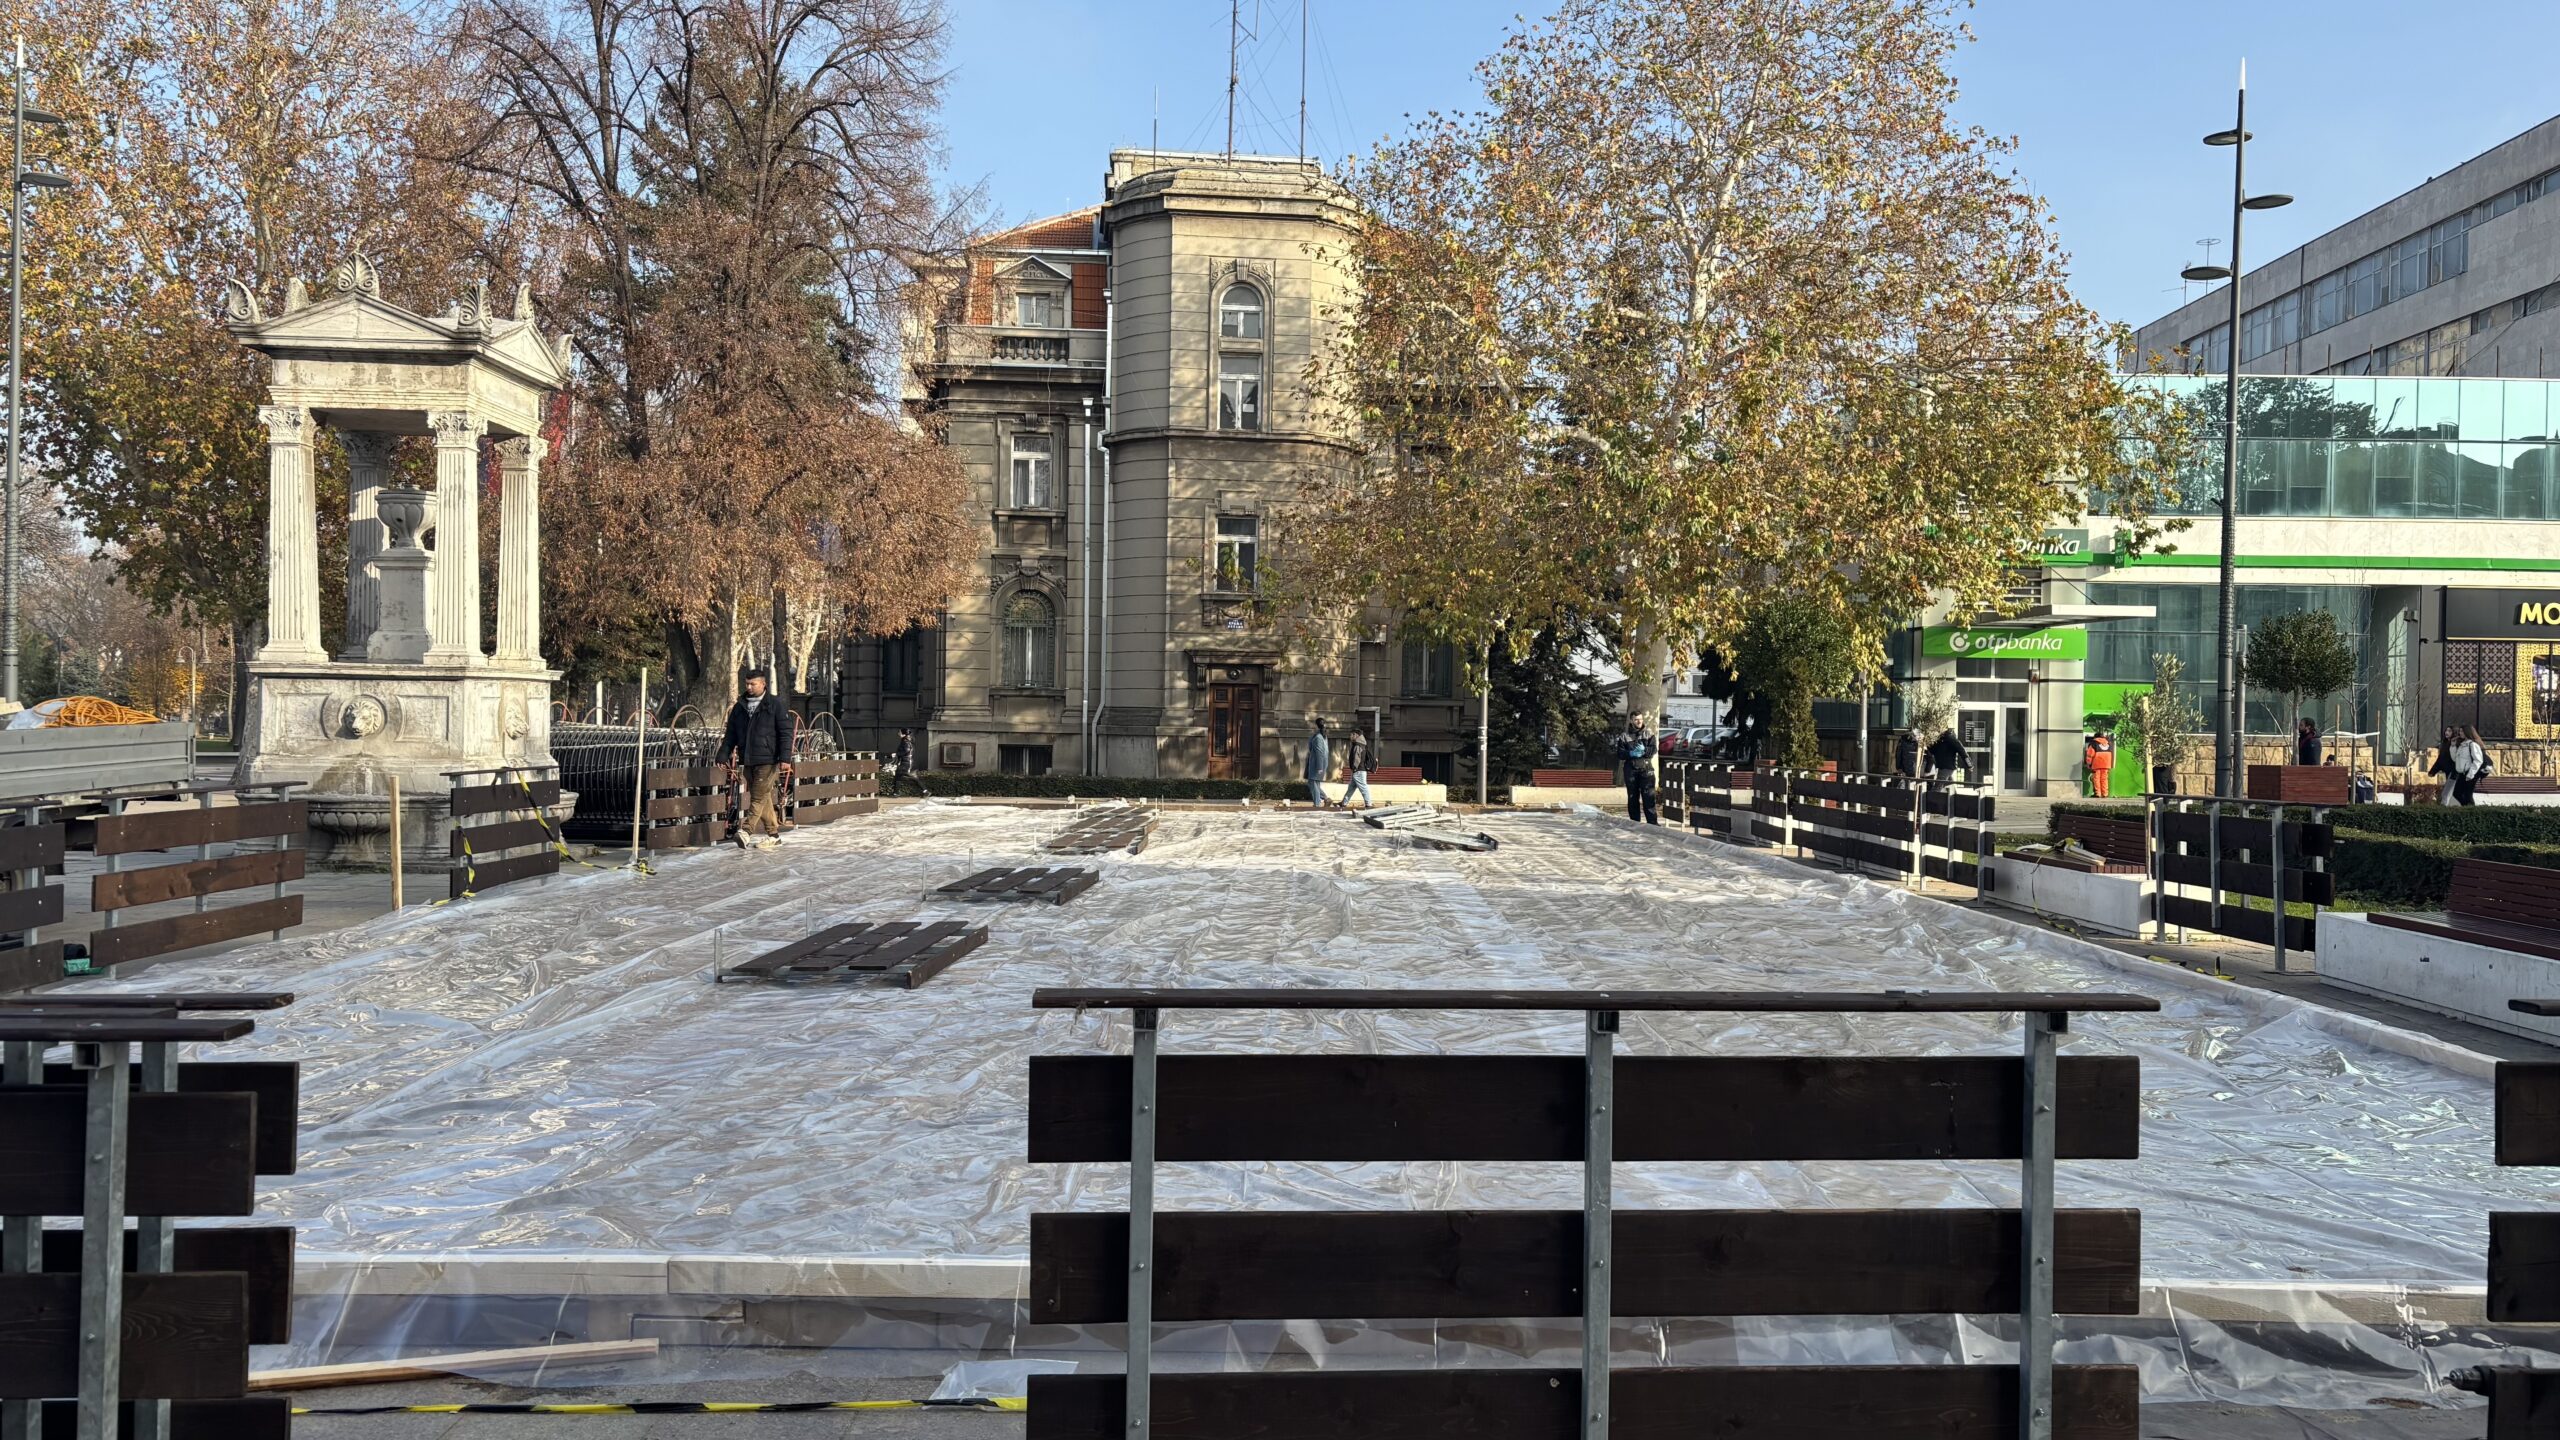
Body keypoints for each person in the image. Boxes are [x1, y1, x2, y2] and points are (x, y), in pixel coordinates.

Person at [712, 669, 795, 849]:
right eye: (747, 683)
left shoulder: (775, 704)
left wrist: (785, 758)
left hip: (769, 759)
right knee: (762, 797)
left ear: (763, 684)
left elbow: (786, 733)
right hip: (748, 759)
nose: (749, 687)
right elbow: (731, 734)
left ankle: (746, 831)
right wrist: (723, 753)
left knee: (757, 797)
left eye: (753, 684)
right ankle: (774, 835)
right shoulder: (739, 706)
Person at [1614, 716, 1660, 824]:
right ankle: (1635, 823)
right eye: (1636, 719)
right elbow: (1620, 754)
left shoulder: (1648, 734)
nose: (1639, 721)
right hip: (1631, 769)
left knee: (1649, 797)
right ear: (1631, 721)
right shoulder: (1624, 736)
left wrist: (1645, 751)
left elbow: (1654, 750)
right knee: (1633, 797)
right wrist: (1630, 753)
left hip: (1646, 768)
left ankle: (1653, 824)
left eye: (1640, 719)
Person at [1334, 725, 1375, 810]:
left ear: (1356, 735)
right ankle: (1344, 803)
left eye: (1351, 735)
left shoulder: (1358, 745)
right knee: (1351, 788)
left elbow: (1357, 758)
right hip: (1358, 770)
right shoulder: (1361, 744)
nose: (1350, 736)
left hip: (1358, 770)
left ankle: (1369, 804)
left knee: (1363, 787)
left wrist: (1354, 768)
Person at [2452, 725, 2491, 807]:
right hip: (2462, 773)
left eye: (2462, 731)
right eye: (2460, 731)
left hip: (2470, 773)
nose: (2460, 733)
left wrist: (2471, 774)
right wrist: (2452, 746)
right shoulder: (2462, 745)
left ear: (2467, 732)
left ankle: (2470, 811)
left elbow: (2478, 760)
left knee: (2468, 795)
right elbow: (2455, 759)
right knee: (2456, 793)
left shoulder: (2472, 745)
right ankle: (2467, 809)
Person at [885, 727, 928, 798]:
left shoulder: (905, 741)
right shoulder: (906, 740)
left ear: (903, 734)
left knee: (907, 777)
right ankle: (896, 793)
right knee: (898, 777)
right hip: (906, 762)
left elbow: (905, 751)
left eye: (899, 732)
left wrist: (894, 754)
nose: (898, 733)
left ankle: (925, 790)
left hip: (906, 763)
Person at [1303, 718, 1332, 808]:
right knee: (1313, 783)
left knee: (1313, 783)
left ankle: (1317, 803)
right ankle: (1325, 799)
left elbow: (1320, 752)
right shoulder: (1321, 736)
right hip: (1317, 763)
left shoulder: (1319, 737)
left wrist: (1320, 767)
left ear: (1316, 725)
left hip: (1317, 764)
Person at [2082, 729, 2115, 797]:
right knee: (2104, 779)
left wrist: (2088, 763)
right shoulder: (2108, 743)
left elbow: (2089, 755)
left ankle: (2098, 794)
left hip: (2097, 764)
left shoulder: (2093, 743)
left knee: (2096, 778)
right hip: (2106, 764)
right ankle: (2105, 794)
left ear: (2095, 737)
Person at [2429, 727, 2458, 804]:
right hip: (2448, 772)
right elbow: (2440, 759)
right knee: (2450, 793)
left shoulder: (2456, 744)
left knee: (2446, 793)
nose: (2446, 732)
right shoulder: (2444, 744)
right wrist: (2433, 771)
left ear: (2454, 732)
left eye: (2449, 731)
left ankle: (2444, 809)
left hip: (2455, 772)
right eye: (2446, 730)